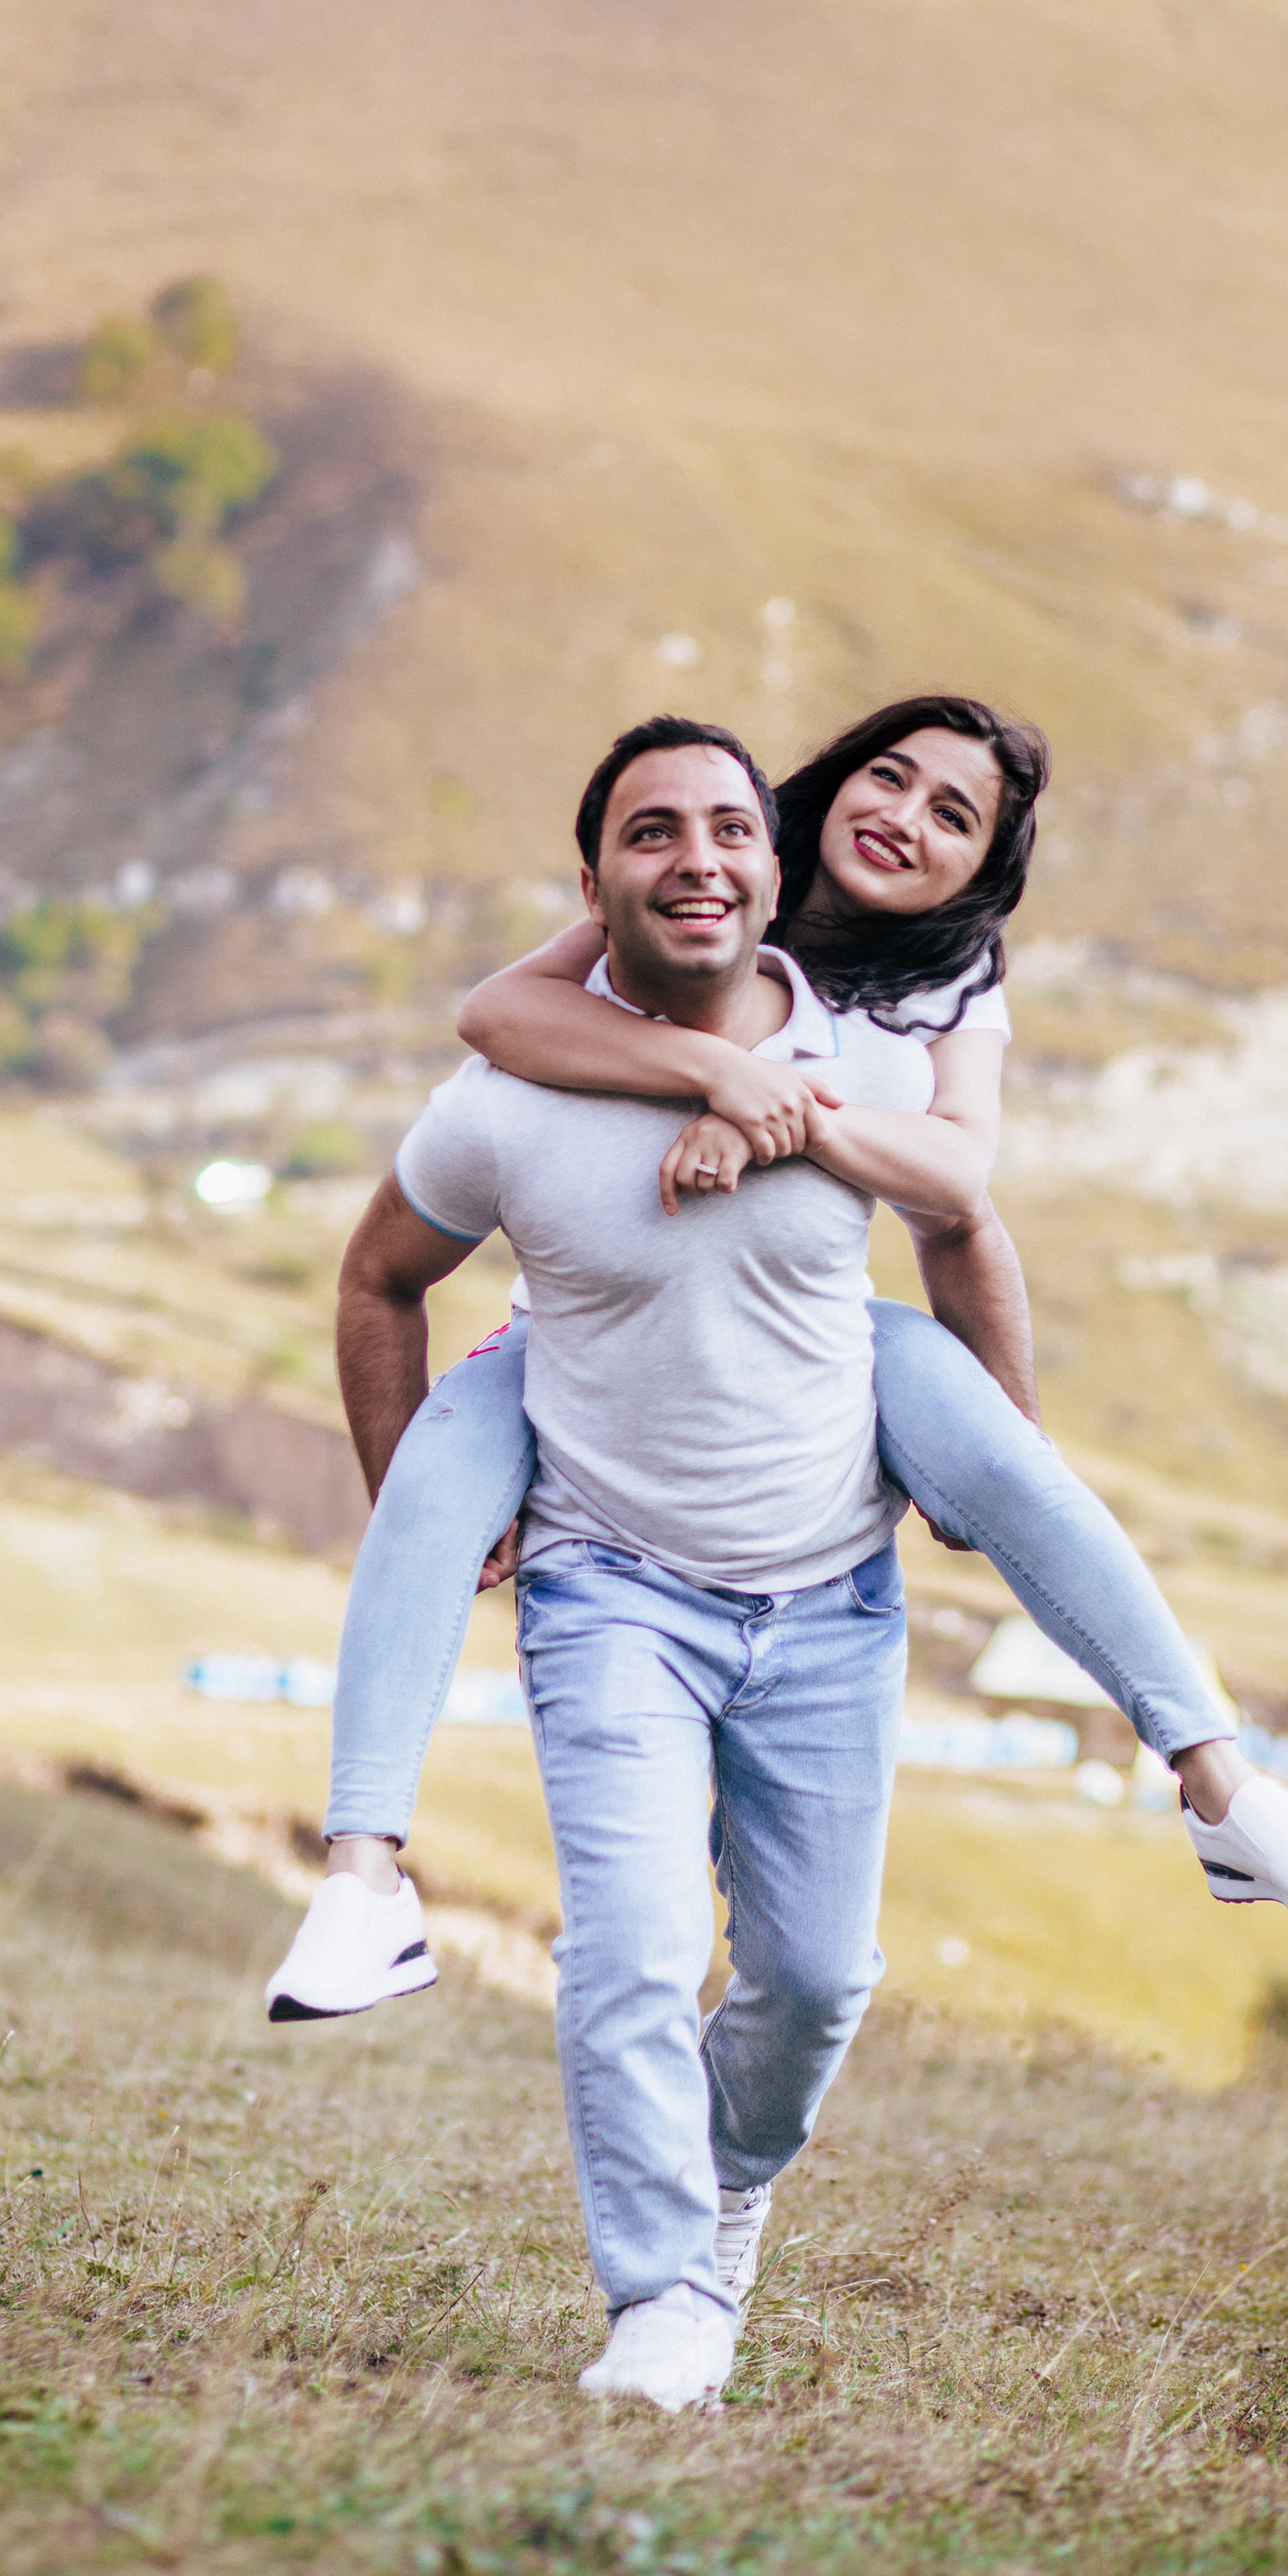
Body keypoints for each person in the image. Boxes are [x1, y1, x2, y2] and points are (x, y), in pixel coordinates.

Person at [271, 695, 1288, 2039]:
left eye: (950, 814)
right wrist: (713, 1072)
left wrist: (787, 1133)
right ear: (826, 790)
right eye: (888, 777)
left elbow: (960, 1190)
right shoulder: (723, 867)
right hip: (595, 1342)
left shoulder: (959, 980)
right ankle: (361, 1878)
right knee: (437, 1470)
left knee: (1007, 1456)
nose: (903, 818)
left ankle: (1221, 1787)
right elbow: (500, 1014)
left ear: (983, 872)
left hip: (813, 1335)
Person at [315, 719, 980, 2410]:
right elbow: (377, 1274)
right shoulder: (508, 1095)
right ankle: (664, 2303)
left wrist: (991, 1468)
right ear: (594, 875)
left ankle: (730, 2180)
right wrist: (435, 1508)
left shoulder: (897, 1046)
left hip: (825, 1586)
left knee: (818, 1982)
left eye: (729, 830)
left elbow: (972, 1229)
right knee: (627, 1948)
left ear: (774, 863)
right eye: (652, 832)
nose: (697, 857)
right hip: (607, 1578)